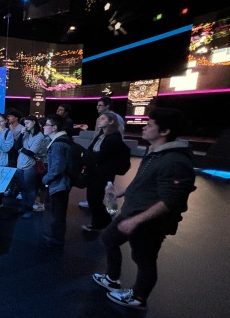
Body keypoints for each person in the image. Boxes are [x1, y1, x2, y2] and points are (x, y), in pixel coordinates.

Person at [92, 108, 196, 310]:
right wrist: (122, 193)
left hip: (148, 221)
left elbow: (171, 201)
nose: (144, 127)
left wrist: (136, 221)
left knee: (144, 259)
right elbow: (145, 182)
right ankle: (112, 279)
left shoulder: (175, 161)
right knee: (108, 238)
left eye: (149, 125)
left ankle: (139, 297)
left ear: (164, 132)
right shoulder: (155, 153)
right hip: (132, 212)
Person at [81, 112, 125, 232]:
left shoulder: (114, 137)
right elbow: (91, 151)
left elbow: (100, 157)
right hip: (96, 172)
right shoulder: (102, 135)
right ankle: (102, 222)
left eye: (103, 118)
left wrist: (89, 156)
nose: (99, 121)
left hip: (103, 174)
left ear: (111, 122)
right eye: (99, 118)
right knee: (94, 198)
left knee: (95, 199)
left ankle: (102, 223)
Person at [80, 97, 125, 208]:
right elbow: (97, 135)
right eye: (97, 105)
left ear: (107, 106)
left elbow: (119, 136)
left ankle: (109, 205)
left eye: (100, 105)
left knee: (108, 181)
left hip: (108, 155)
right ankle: (93, 202)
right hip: (97, 153)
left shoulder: (115, 118)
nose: (97, 107)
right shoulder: (100, 118)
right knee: (96, 180)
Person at [41, 114, 72, 250]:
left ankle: (57, 239)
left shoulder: (58, 143)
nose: (43, 127)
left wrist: (45, 179)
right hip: (62, 183)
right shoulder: (63, 140)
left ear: (54, 127)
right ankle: (56, 237)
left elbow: (57, 168)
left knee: (57, 213)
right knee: (57, 212)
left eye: (46, 124)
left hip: (59, 185)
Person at [14, 115, 44, 219]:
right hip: (20, 164)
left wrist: (21, 149)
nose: (25, 125)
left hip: (29, 165)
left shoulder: (39, 136)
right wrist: (22, 134)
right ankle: (24, 205)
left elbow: (31, 152)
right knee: (22, 187)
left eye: (27, 123)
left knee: (30, 188)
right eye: (25, 123)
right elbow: (16, 146)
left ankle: (29, 208)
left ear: (33, 122)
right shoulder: (26, 133)